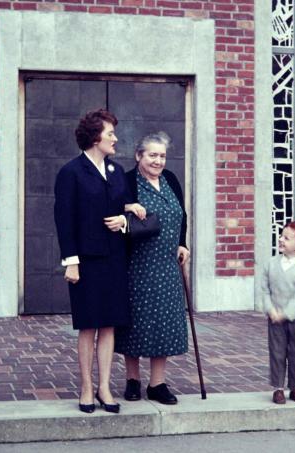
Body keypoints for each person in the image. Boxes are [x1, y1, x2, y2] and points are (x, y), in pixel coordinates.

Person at [53, 109, 143, 414]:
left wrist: (128, 212)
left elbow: (123, 204)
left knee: (109, 326)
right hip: (87, 261)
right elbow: (64, 221)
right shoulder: (71, 172)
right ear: (95, 138)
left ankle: (105, 387)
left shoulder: (117, 172)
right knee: (88, 326)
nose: (116, 139)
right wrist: (71, 262)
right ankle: (86, 388)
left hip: (116, 259)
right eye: (110, 134)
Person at [114, 131, 190, 405]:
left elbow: (181, 214)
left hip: (167, 264)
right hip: (137, 264)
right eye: (152, 155)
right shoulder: (126, 181)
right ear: (138, 156)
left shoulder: (170, 179)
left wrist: (182, 243)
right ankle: (132, 380)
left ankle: (157, 384)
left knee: (164, 323)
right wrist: (128, 206)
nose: (158, 161)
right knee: (135, 322)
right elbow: (109, 210)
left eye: (162, 156)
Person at [255, 221, 295, 404]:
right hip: (275, 317)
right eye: (281, 235)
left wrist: (286, 313)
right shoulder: (270, 265)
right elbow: (263, 289)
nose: (280, 239)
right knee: (277, 352)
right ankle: (278, 388)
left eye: (286, 238)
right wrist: (270, 309)